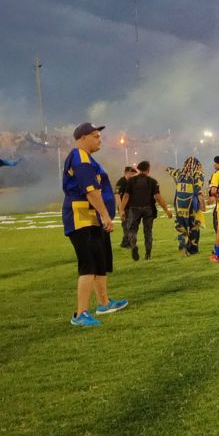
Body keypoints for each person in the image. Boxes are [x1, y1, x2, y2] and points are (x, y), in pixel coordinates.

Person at [62, 123, 128, 327]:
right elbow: (91, 191)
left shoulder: (87, 158)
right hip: (82, 218)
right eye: (95, 136)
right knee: (88, 264)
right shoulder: (80, 157)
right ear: (82, 138)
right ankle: (80, 313)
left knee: (100, 262)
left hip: (92, 218)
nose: (100, 140)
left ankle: (104, 303)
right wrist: (105, 216)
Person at [120, 161, 173, 261]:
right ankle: (148, 254)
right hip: (148, 208)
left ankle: (133, 245)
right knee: (148, 231)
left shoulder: (131, 181)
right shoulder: (153, 181)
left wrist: (122, 209)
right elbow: (158, 197)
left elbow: (126, 196)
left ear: (139, 169)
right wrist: (166, 210)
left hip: (134, 208)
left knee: (132, 230)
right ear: (148, 170)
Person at [167, 157, 205, 256]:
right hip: (191, 205)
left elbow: (170, 170)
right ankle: (193, 249)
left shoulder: (179, 173)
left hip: (179, 206)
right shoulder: (197, 175)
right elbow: (198, 190)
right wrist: (202, 204)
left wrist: (164, 168)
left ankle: (183, 248)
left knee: (181, 227)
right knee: (194, 227)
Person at [114, 166, 137, 248]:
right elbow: (117, 196)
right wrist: (121, 209)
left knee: (131, 225)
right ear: (127, 172)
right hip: (124, 207)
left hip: (131, 207)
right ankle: (128, 243)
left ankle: (125, 242)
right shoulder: (120, 182)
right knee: (126, 225)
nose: (133, 175)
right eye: (132, 174)